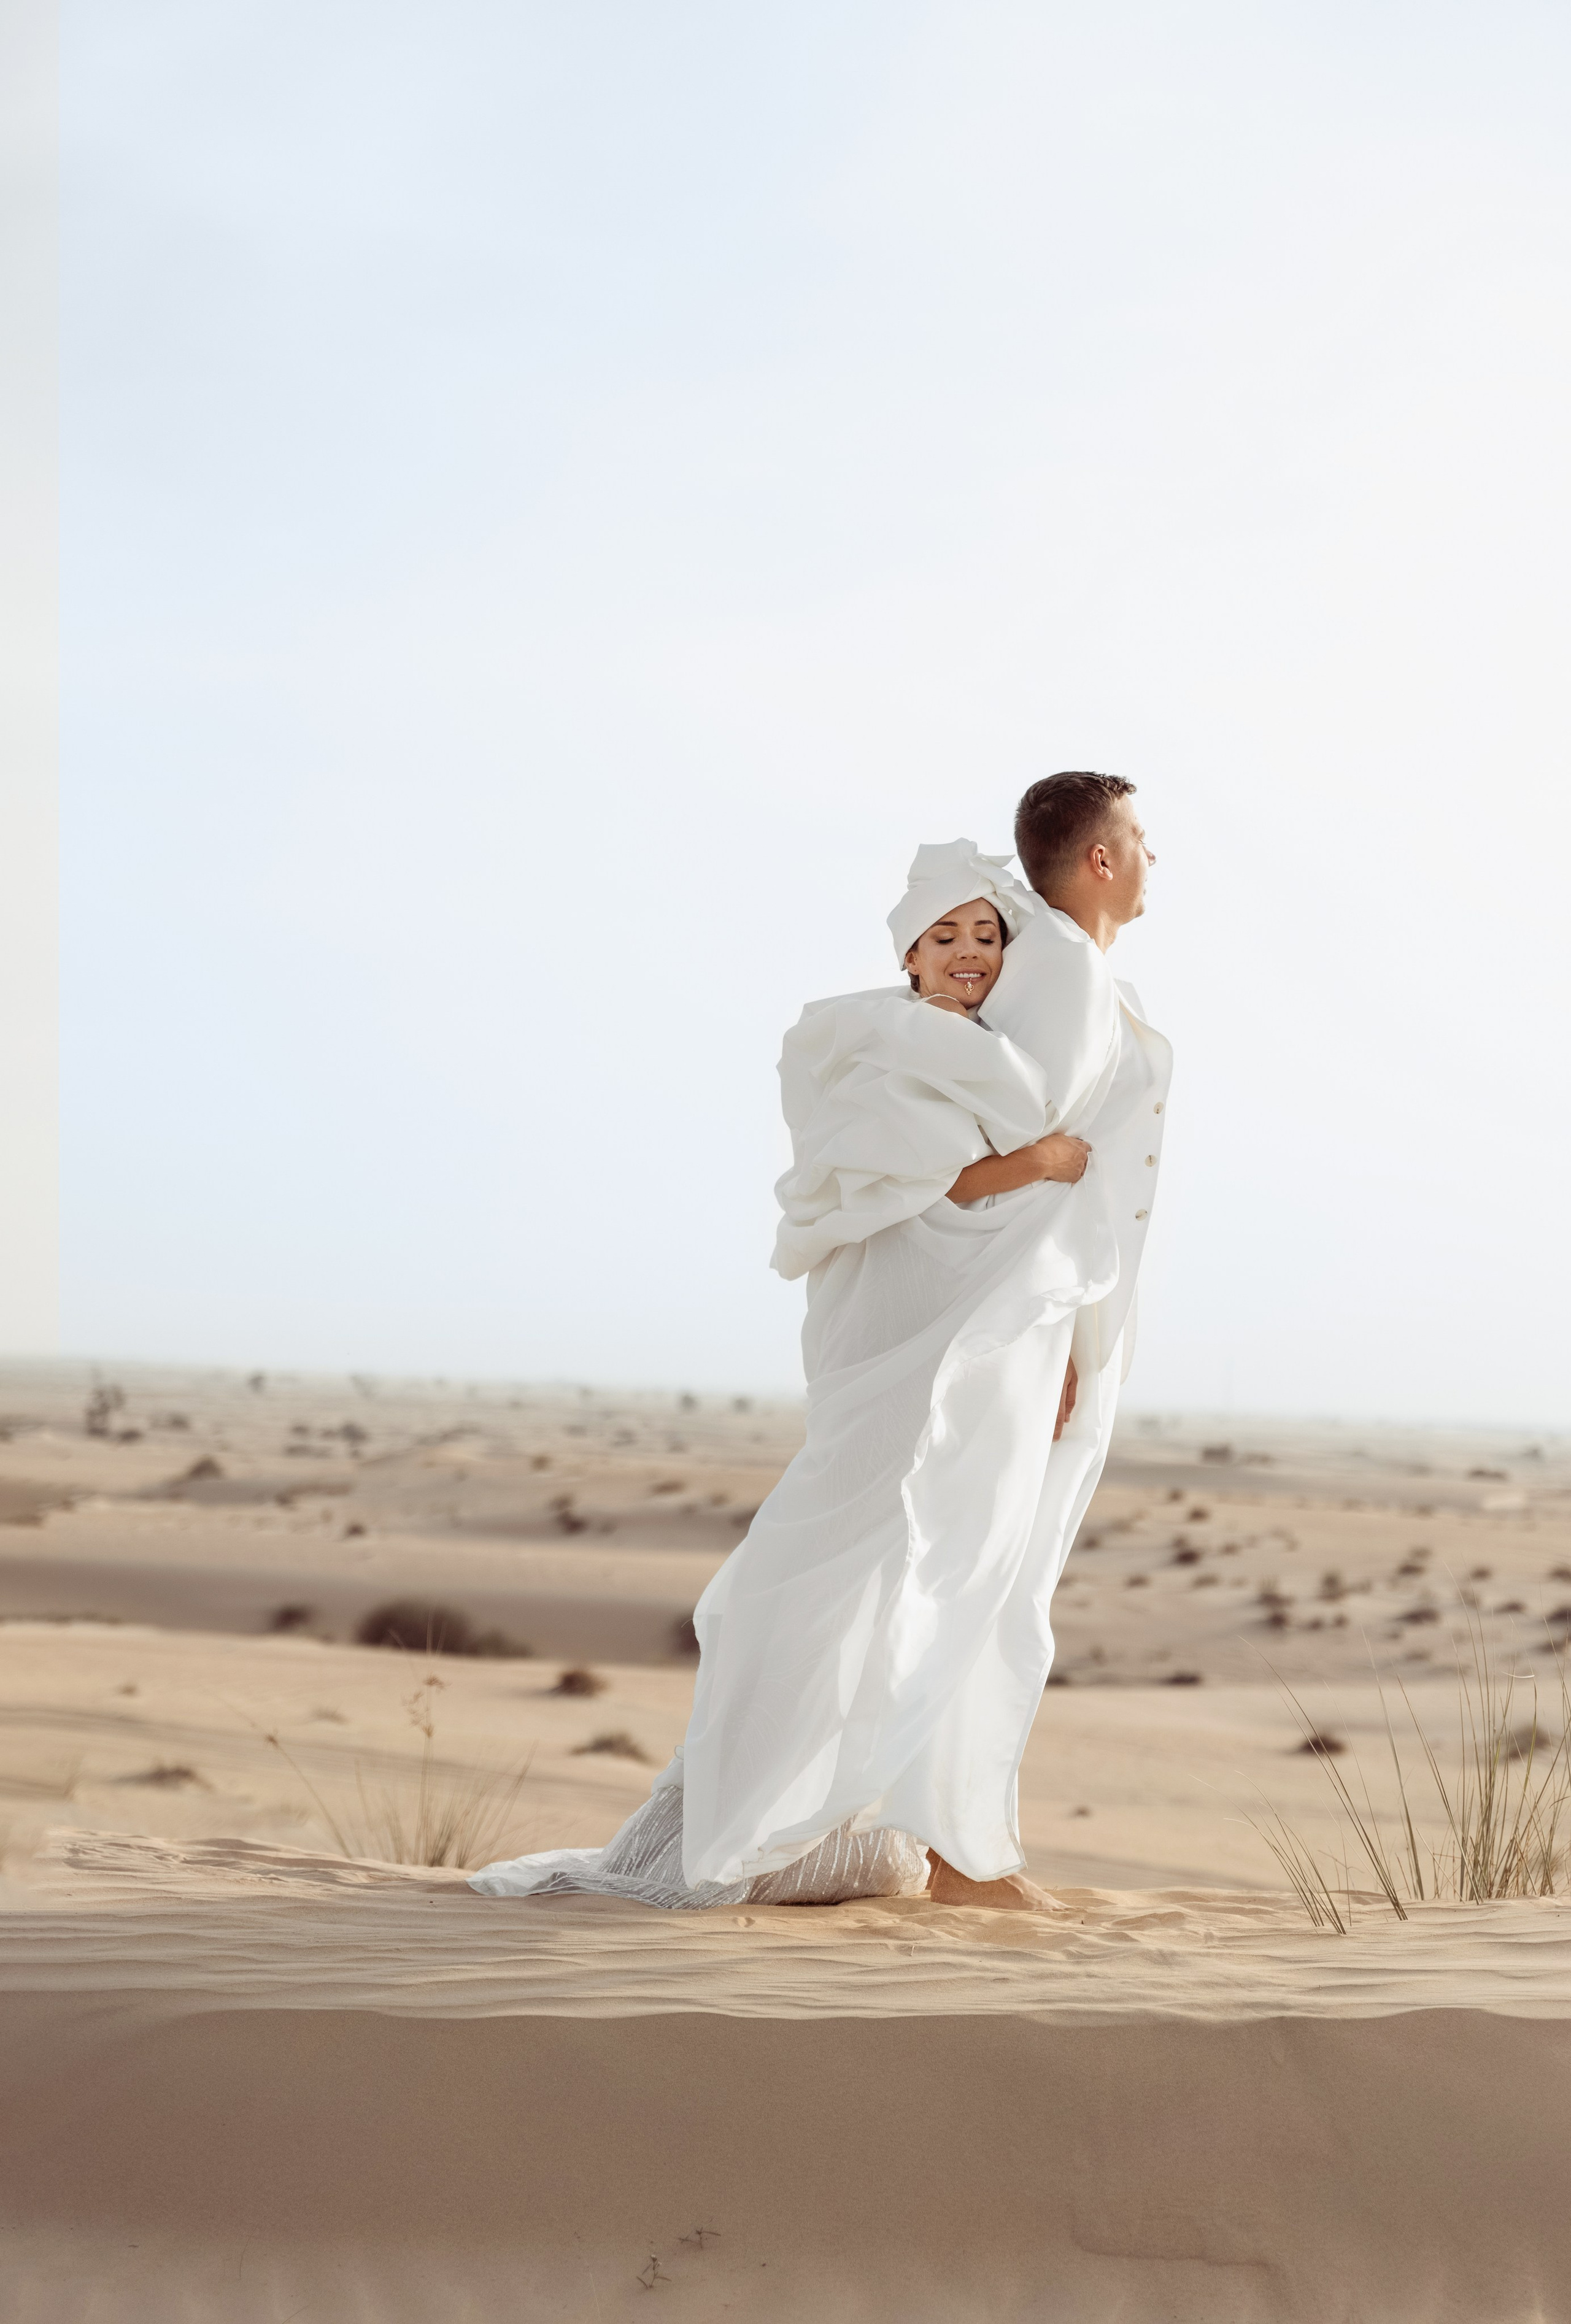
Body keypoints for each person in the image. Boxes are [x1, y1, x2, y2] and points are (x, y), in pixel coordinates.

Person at [471, 791, 1168, 1913]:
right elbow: (990, 1161)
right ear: (1100, 855)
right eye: (1143, 841)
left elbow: (1016, 1162)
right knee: (930, 1557)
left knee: (935, 1561)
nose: (1155, 860)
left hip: (998, 1325)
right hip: (960, 1330)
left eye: (977, 937)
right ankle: (932, 1852)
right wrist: (1040, 1296)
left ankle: (922, 1839)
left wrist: (1065, 1334)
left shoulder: (1049, 977)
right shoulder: (1063, 982)